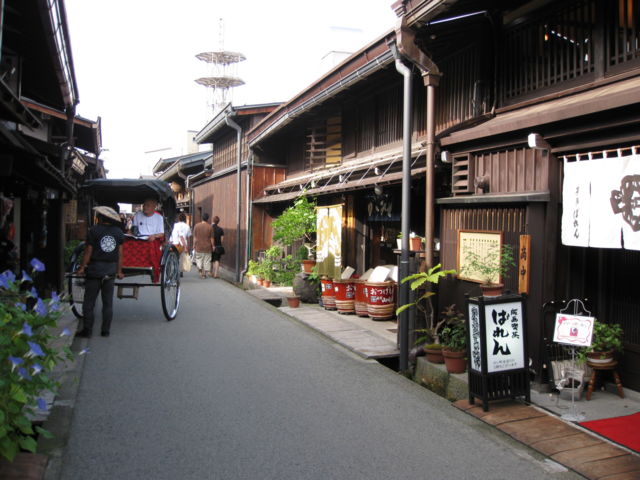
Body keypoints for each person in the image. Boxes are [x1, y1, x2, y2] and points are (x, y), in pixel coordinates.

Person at [75, 206, 124, 338]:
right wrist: (119, 271)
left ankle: (87, 330)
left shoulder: (94, 230)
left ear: (101, 218)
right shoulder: (118, 232)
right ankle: (105, 331)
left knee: (89, 302)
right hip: (110, 271)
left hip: (95, 269)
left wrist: (82, 267)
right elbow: (120, 254)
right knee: (107, 303)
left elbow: (88, 251)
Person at [193, 212, 213, 279]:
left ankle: (200, 270)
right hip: (207, 246)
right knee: (206, 261)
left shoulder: (196, 226)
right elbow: (212, 238)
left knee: (199, 259)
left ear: (202, 218)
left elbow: (195, 237)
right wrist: (213, 246)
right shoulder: (210, 227)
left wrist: (194, 245)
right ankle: (204, 273)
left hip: (199, 246)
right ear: (208, 219)